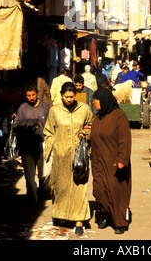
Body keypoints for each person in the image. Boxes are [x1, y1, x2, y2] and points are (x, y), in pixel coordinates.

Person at [43, 82, 93, 236]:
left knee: (79, 188)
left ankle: (79, 221)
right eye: (66, 97)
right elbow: (48, 132)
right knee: (61, 188)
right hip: (61, 157)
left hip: (79, 157)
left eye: (72, 97)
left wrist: (85, 134)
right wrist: (55, 146)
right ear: (61, 95)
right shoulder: (54, 111)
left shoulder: (84, 109)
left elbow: (91, 126)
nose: (69, 100)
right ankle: (62, 217)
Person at [91, 75, 132, 235]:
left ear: (104, 100)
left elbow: (125, 140)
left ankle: (120, 222)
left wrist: (122, 160)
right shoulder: (97, 117)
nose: (93, 102)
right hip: (98, 162)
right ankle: (106, 215)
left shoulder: (119, 117)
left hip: (114, 162)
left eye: (95, 100)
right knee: (100, 191)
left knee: (116, 192)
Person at [14, 83, 50, 204]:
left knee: (42, 175)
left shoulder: (45, 107)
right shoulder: (22, 108)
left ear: (37, 94)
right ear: (25, 96)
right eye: (28, 95)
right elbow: (16, 124)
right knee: (29, 175)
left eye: (33, 95)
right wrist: (30, 123)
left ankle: (42, 195)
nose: (31, 97)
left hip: (42, 144)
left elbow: (50, 125)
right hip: (27, 146)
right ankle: (32, 199)